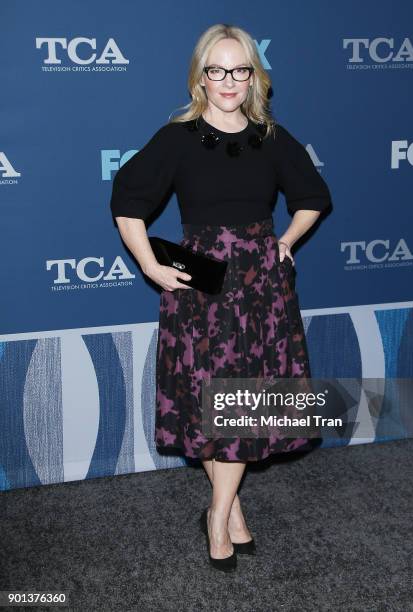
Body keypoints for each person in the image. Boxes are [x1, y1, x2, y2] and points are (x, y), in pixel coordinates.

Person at [110, 23, 332, 572]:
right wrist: (149, 264)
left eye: (240, 69)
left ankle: (218, 512)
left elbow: (314, 197)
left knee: (239, 403)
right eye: (217, 69)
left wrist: (283, 241)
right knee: (207, 403)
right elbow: (128, 199)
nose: (229, 80)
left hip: (258, 286)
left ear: (254, 75)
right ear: (200, 77)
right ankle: (226, 510)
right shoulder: (176, 139)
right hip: (201, 281)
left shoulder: (272, 137)